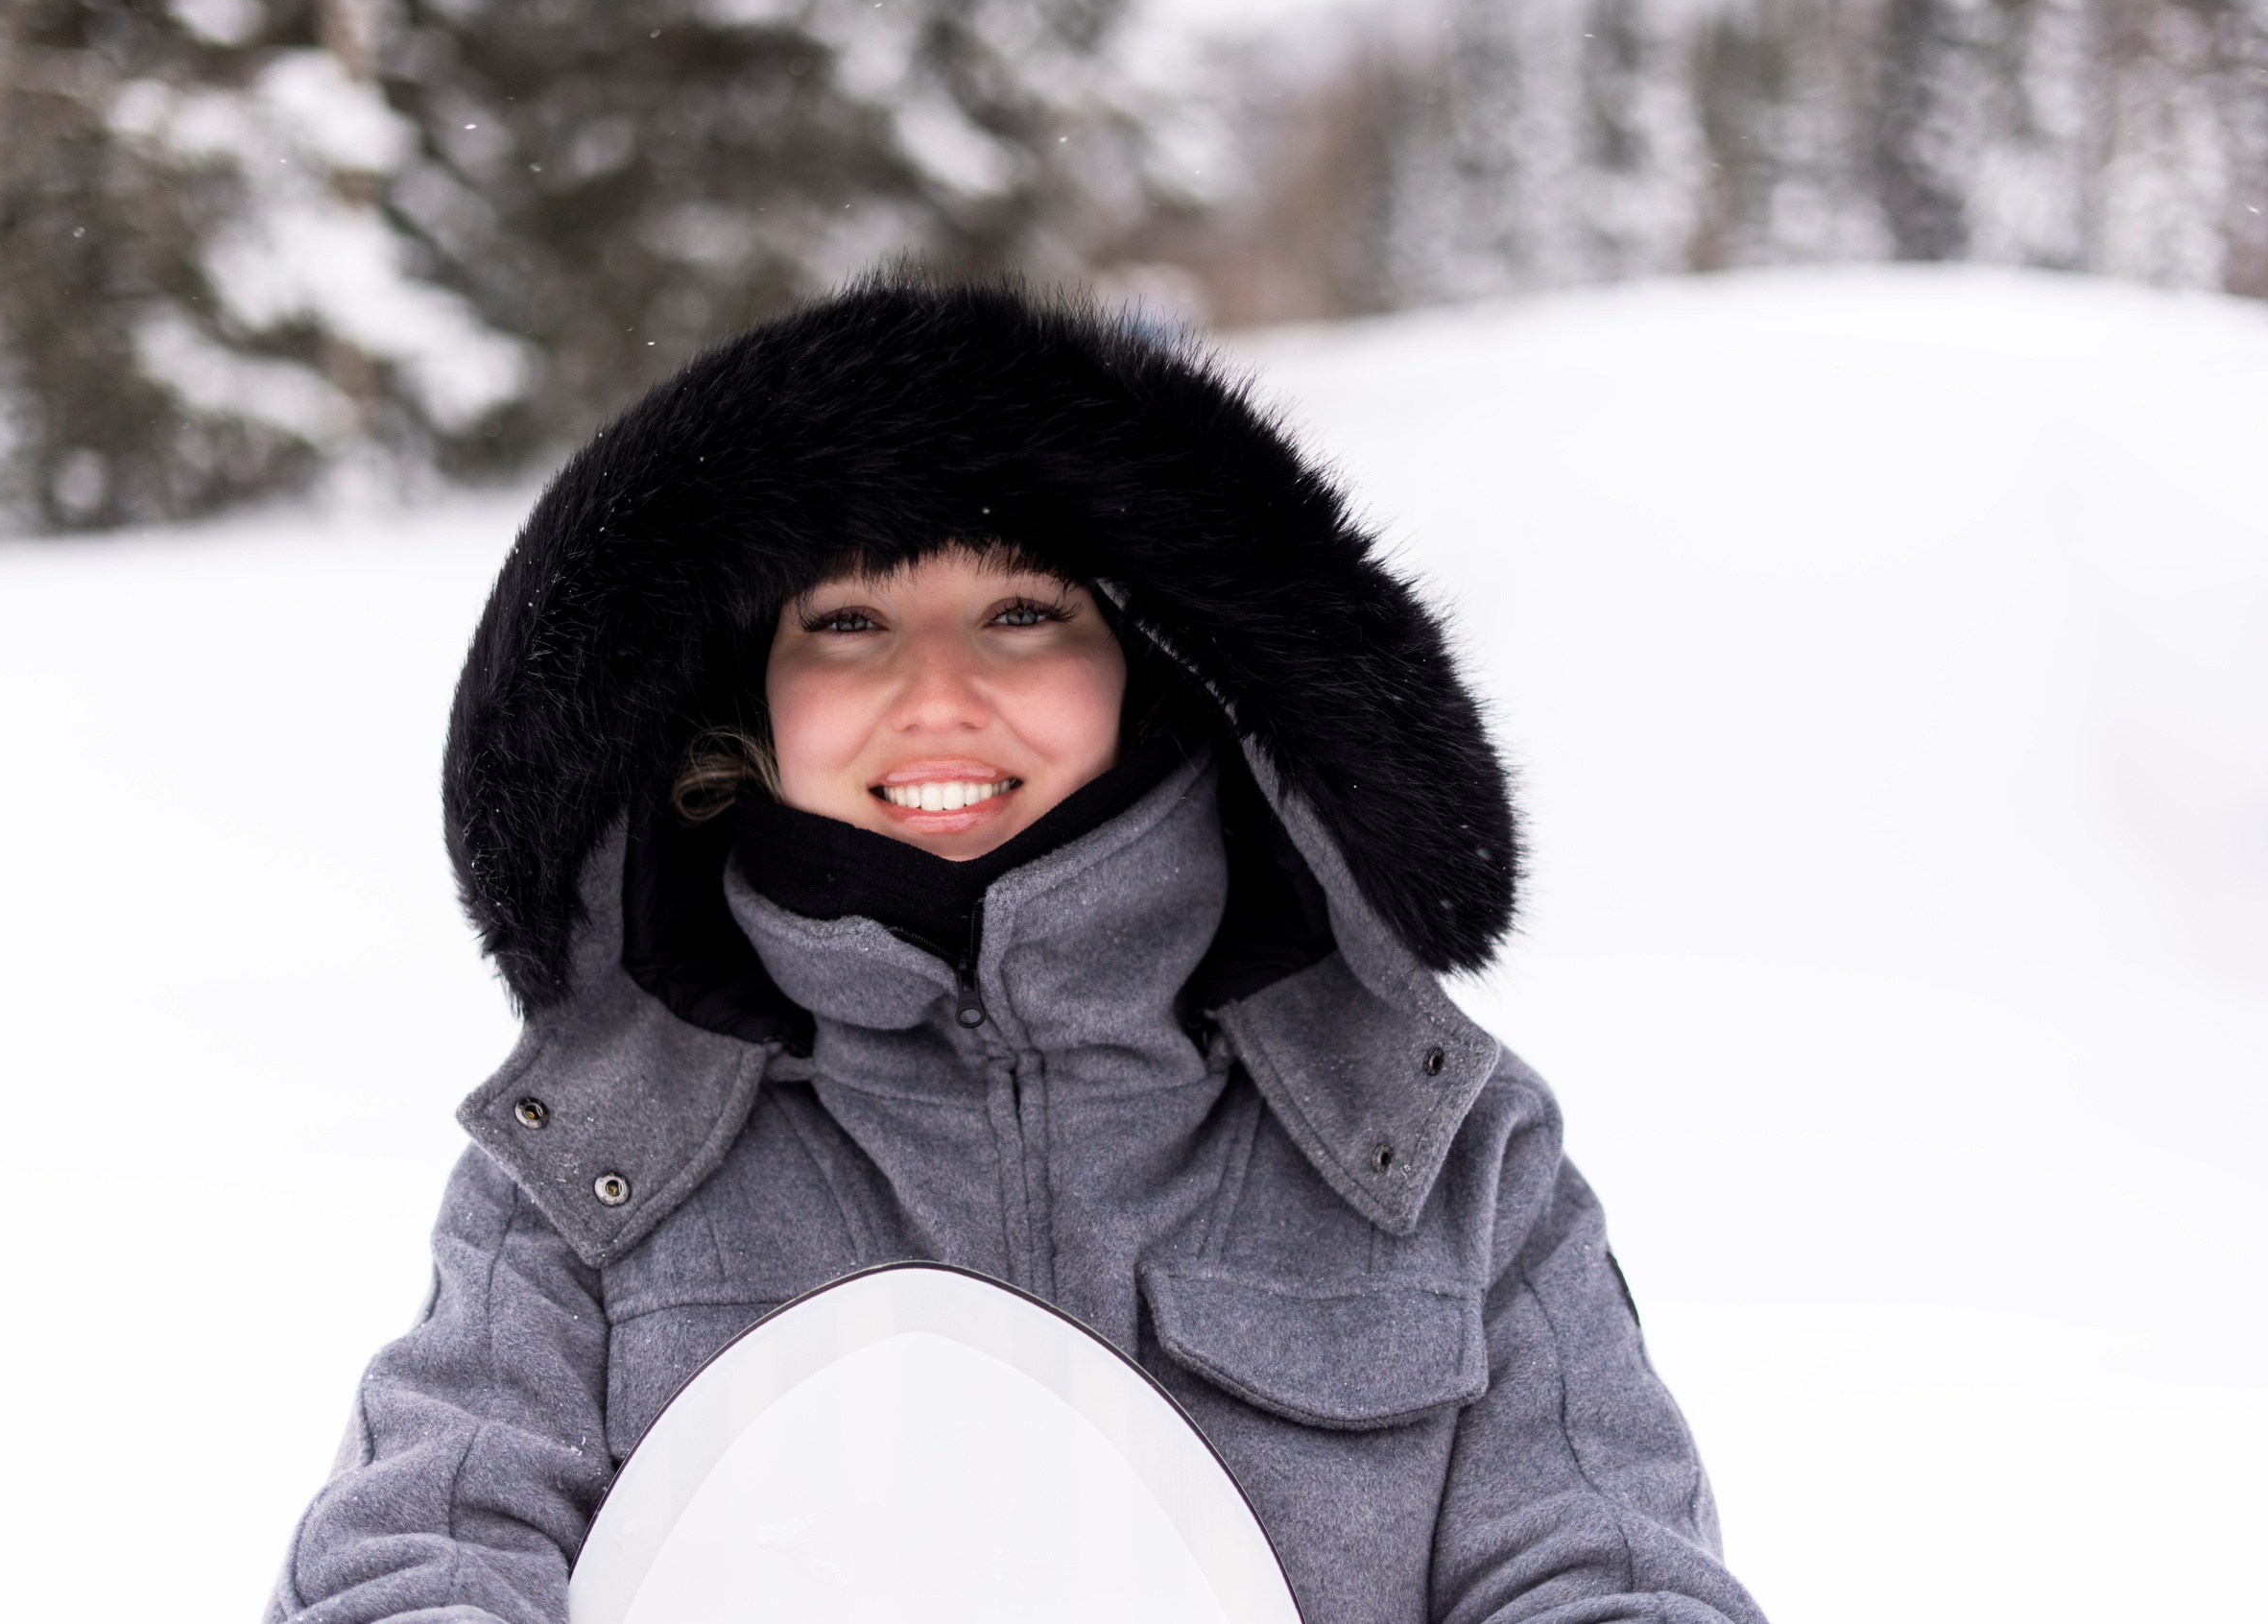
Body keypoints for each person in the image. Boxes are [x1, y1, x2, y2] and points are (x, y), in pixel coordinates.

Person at [265, 279, 1768, 1624]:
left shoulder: (1431, 1143)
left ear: (1152, 665)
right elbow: (415, 1555)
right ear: (747, 691)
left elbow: (1609, 1570)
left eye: (1021, 610)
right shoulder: (595, 1158)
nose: (936, 693)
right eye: (847, 619)